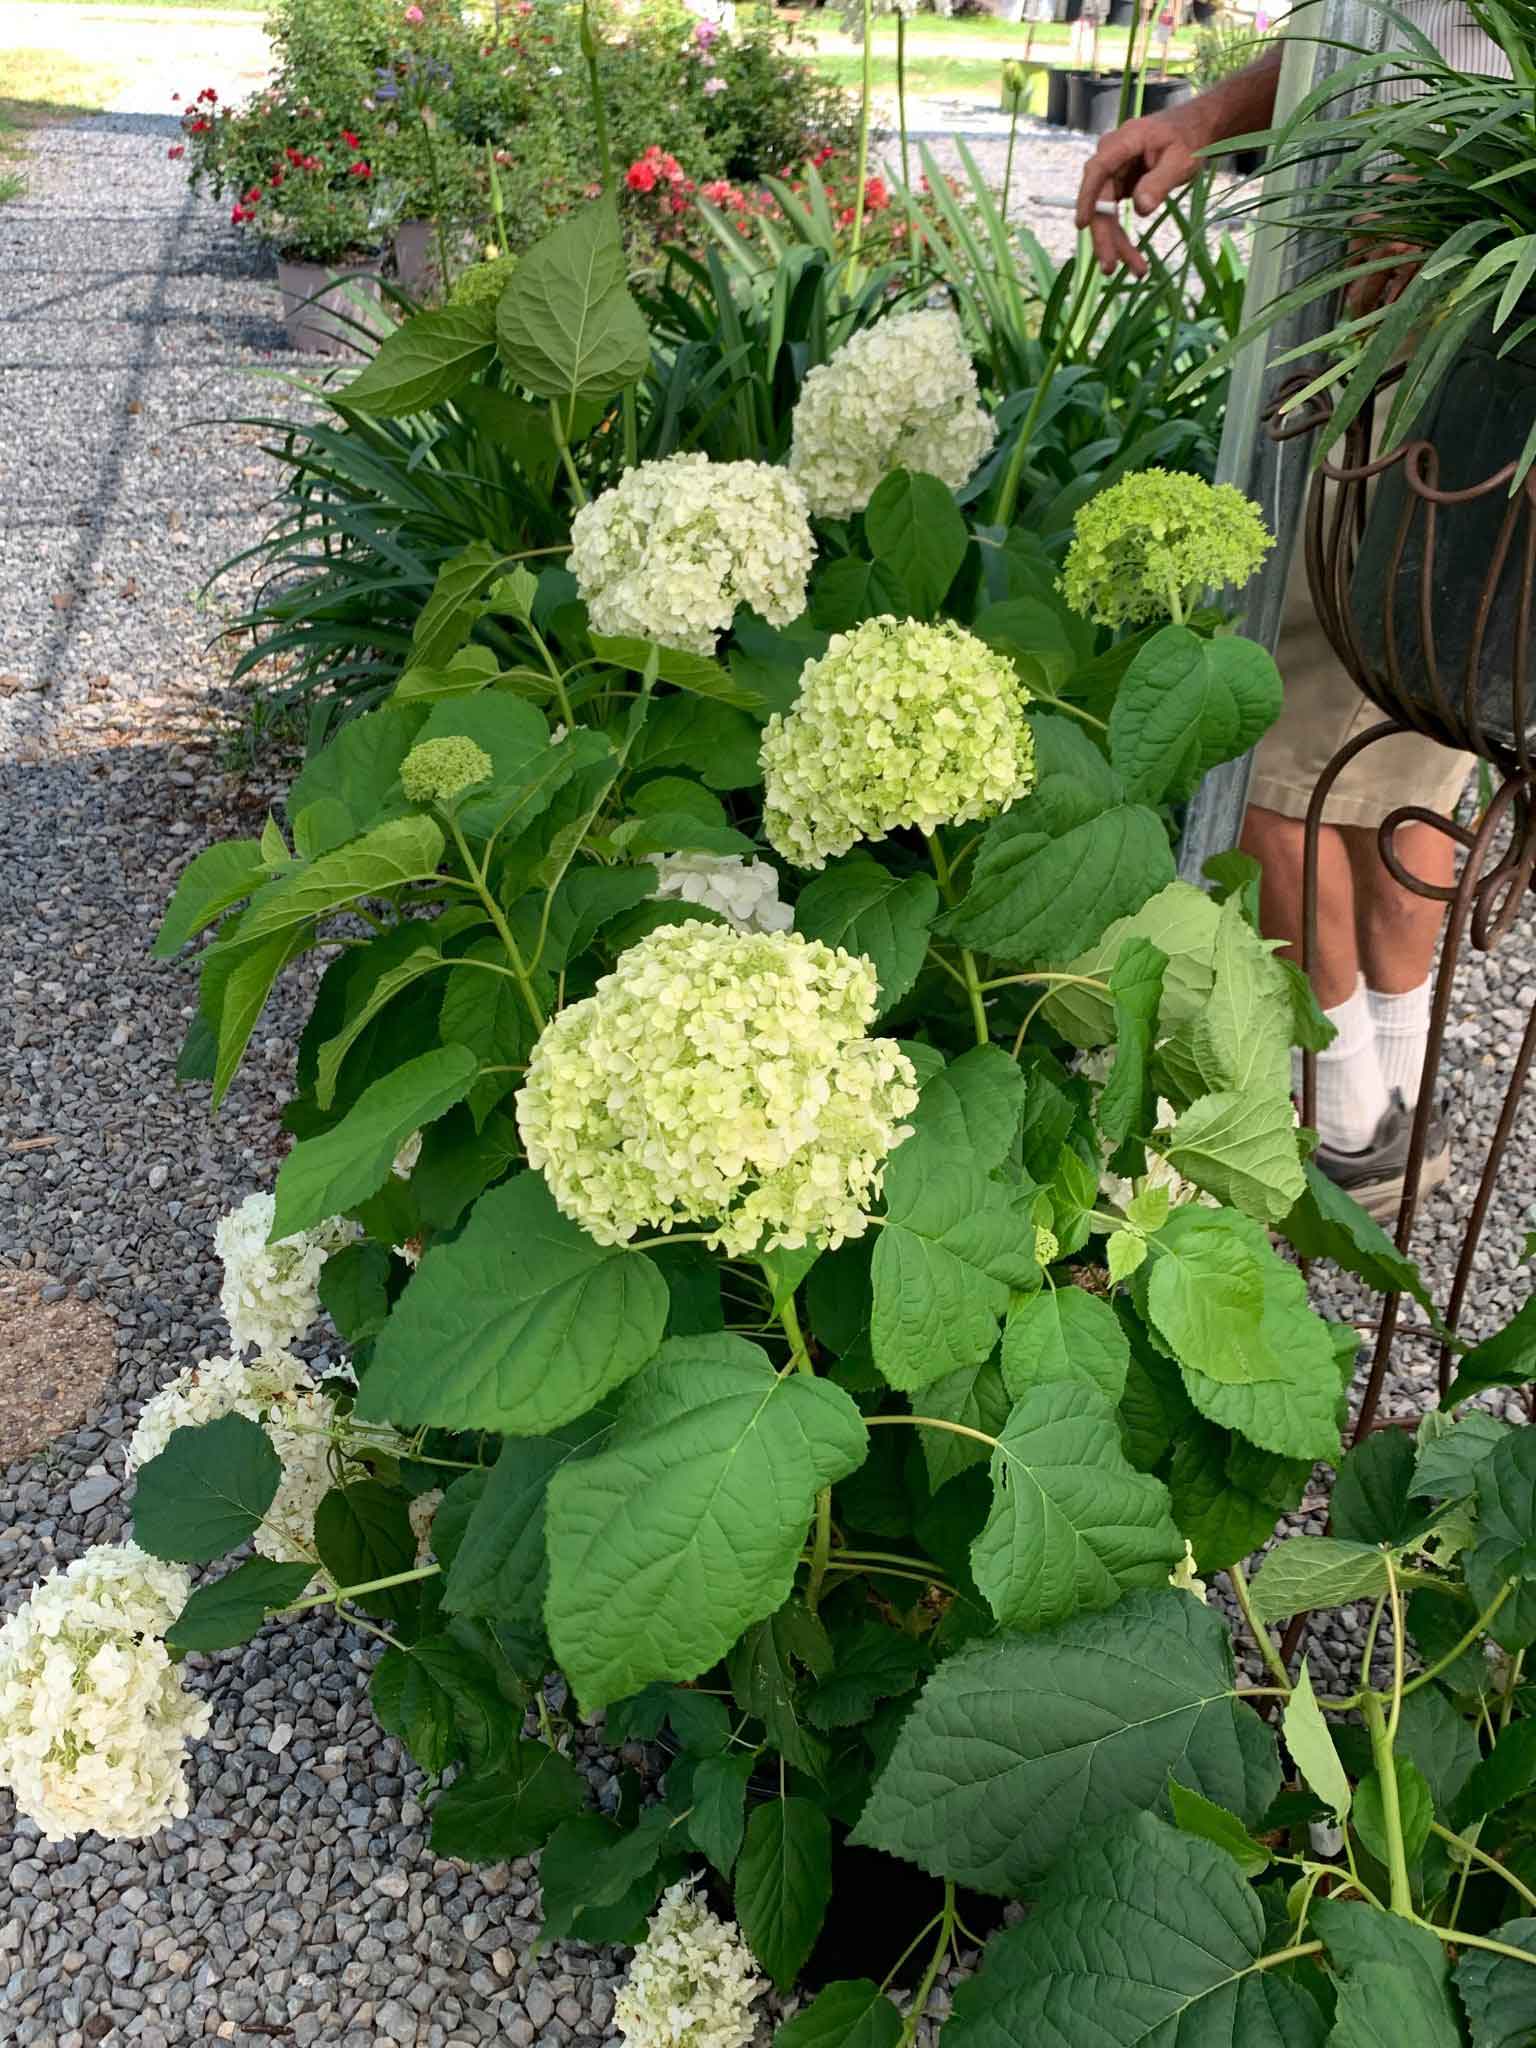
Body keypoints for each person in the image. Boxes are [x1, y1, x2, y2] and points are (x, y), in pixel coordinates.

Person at [1073, 16, 1506, 1216]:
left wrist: (1442, 231)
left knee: (1274, 749)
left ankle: (1347, 1117)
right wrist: (1204, 120)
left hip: (1435, 347)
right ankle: (1396, 1087)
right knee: (1415, 742)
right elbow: (1370, 37)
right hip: (1429, 352)